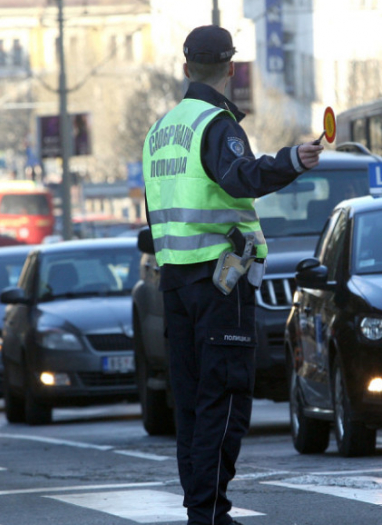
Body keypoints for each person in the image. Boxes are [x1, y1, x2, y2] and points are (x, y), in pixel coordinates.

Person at [142, 25, 322, 525]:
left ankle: (200, 510)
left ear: (186, 68)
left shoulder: (160, 132)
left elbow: (157, 214)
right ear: (232, 69)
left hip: (175, 284)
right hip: (221, 283)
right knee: (224, 399)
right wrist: (292, 160)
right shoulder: (216, 125)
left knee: (192, 403)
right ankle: (209, 514)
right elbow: (240, 177)